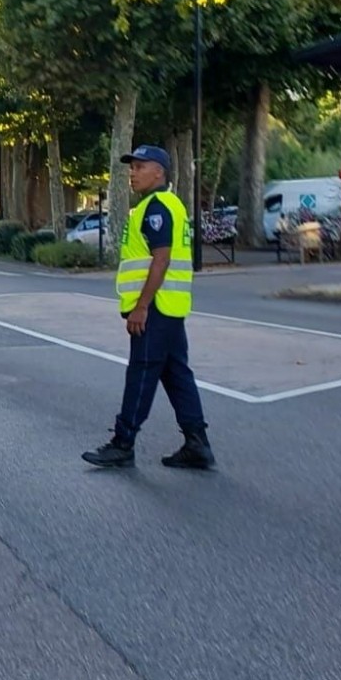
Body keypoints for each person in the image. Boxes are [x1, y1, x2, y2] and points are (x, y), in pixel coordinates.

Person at [82, 144, 214, 471]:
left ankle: (123, 443)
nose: (133, 173)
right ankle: (197, 443)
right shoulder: (164, 205)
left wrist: (141, 307)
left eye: (140, 167)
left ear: (159, 171)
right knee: (176, 373)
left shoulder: (156, 208)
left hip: (155, 308)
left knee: (141, 372)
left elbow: (162, 258)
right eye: (132, 167)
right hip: (169, 306)